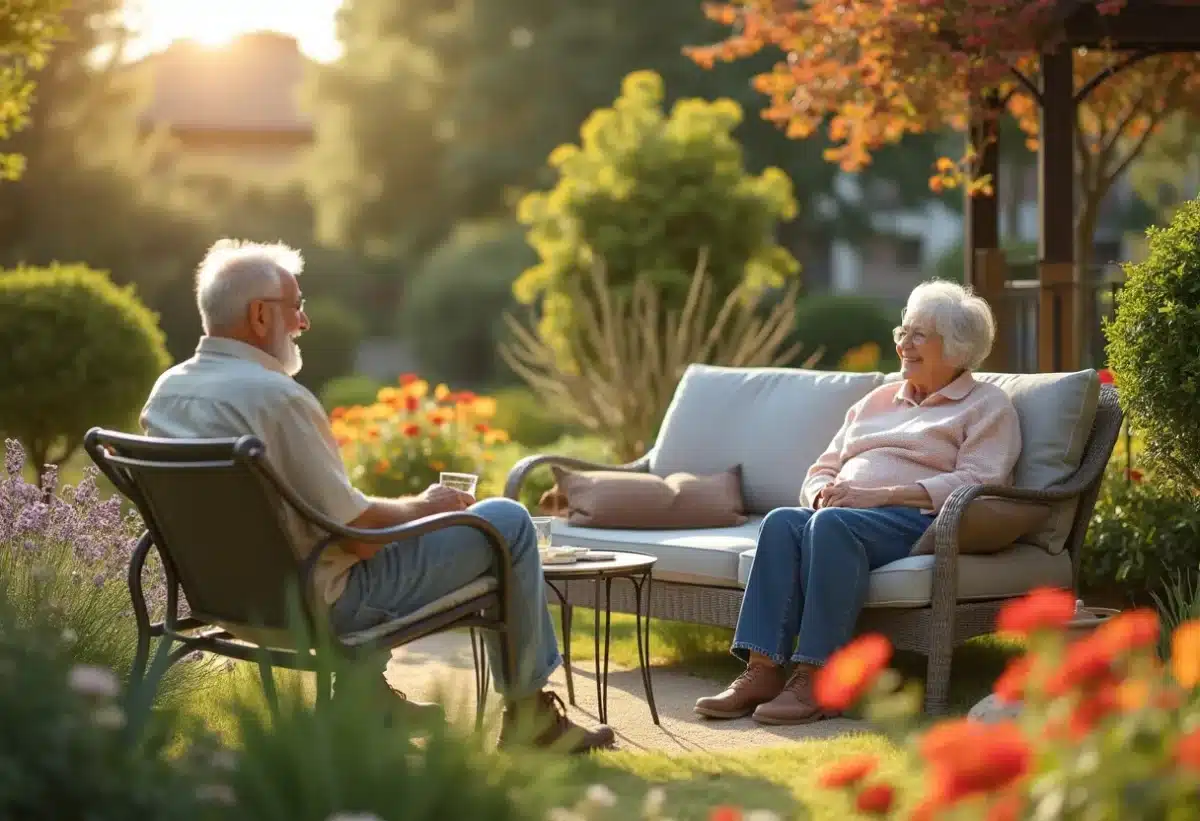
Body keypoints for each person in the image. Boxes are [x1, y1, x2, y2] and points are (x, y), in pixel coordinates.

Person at [140, 238, 615, 754]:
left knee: (354, 536)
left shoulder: (167, 392)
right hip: (316, 608)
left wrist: (389, 510)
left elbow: (308, 512)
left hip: (221, 601)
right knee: (507, 521)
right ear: (260, 316)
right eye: (296, 306)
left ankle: (365, 696)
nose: (304, 321)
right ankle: (531, 722)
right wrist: (425, 507)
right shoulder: (276, 399)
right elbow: (362, 537)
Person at [694, 279, 1022, 725]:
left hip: (916, 520)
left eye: (919, 335)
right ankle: (763, 669)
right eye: (902, 331)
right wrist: (819, 495)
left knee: (833, 526)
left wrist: (876, 496)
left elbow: (980, 480)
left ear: (958, 347)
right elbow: (822, 468)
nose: (905, 344)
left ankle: (819, 678)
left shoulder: (986, 406)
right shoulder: (877, 400)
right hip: (842, 514)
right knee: (781, 522)